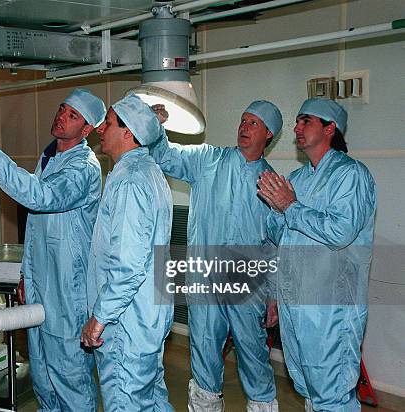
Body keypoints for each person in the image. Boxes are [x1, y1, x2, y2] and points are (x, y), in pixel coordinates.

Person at [149, 101, 283, 412]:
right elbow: (166, 156)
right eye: (242, 120)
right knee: (204, 353)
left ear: (269, 134)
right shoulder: (208, 159)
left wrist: (275, 295)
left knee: (253, 356)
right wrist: (157, 128)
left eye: (253, 123)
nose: (244, 127)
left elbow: (277, 245)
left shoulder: (272, 184)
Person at [0, 88, 106, 411]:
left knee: (69, 378)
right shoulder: (51, 157)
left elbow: (41, 198)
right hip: (40, 286)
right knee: (43, 378)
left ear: (87, 129)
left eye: (73, 116)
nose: (62, 116)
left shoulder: (83, 168)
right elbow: (37, 227)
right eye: (63, 109)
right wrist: (27, 275)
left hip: (67, 293)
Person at [257, 98, 376, 411]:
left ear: (329, 128)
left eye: (305, 121)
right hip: (297, 308)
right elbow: (279, 243)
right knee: (309, 386)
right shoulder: (295, 181)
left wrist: (290, 207)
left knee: (333, 391)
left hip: (332, 311)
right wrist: (273, 296)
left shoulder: (350, 176)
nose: (296, 128)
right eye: (297, 121)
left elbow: (340, 233)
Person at [80, 93, 174, 411]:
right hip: (148, 316)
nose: (99, 130)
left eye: (107, 123)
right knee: (152, 398)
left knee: (126, 399)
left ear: (128, 132)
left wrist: (100, 317)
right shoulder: (150, 172)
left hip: (126, 322)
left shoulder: (131, 181)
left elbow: (127, 265)